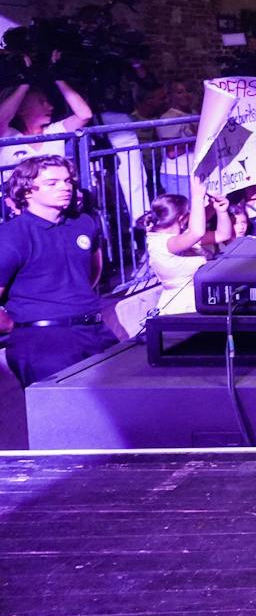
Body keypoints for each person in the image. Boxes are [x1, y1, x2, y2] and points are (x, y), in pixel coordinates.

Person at [0, 156, 119, 387]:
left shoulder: (84, 223)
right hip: (43, 344)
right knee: (65, 418)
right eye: (52, 183)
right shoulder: (11, 235)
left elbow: (93, 272)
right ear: (26, 191)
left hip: (95, 331)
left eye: (67, 181)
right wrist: (12, 325)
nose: (65, 187)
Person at [142, 178, 235, 315]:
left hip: (202, 299)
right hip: (183, 307)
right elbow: (197, 231)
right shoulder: (164, 243)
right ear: (181, 218)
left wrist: (219, 209)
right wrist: (197, 196)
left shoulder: (181, 237)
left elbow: (222, 234)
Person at [0, 56, 94, 171]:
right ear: (20, 110)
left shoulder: (54, 131)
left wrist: (58, 78)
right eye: (41, 102)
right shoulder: (7, 134)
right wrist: (24, 85)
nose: (51, 107)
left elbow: (84, 115)